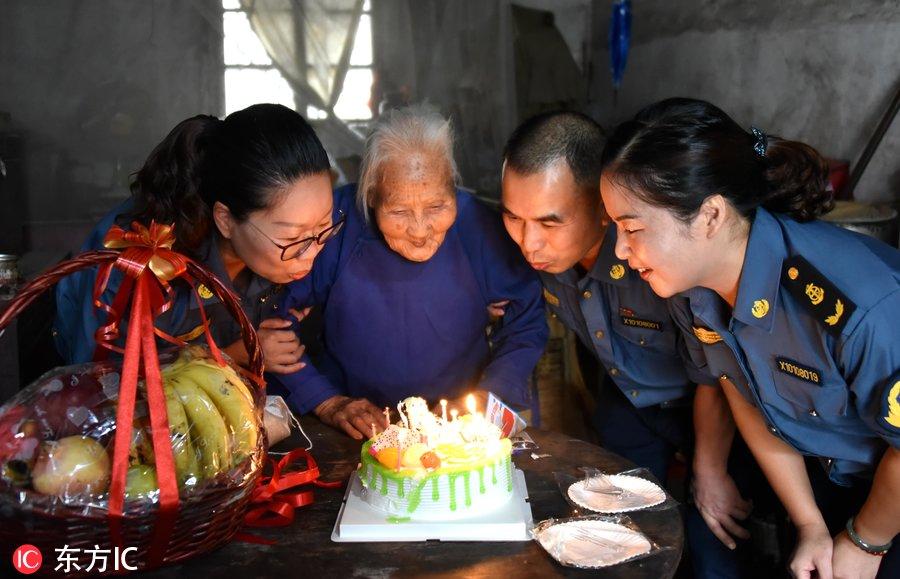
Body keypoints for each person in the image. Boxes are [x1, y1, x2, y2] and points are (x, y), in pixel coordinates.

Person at [600, 97, 900, 579]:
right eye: (614, 227)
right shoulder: (694, 289)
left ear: (710, 216)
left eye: (631, 227)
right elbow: (746, 393)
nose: (619, 249)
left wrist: (866, 542)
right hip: (831, 477)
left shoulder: (855, 307)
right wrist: (811, 525)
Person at [500, 111, 757, 577]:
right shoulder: (544, 262)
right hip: (627, 407)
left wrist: (709, 469)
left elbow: (720, 374)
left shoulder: (665, 260)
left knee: (713, 544)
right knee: (619, 543)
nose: (528, 242)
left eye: (549, 222)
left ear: (604, 207)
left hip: (713, 408)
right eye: (513, 218)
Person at [267, 106, 548, 440]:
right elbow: (275, 319)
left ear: (453, 188)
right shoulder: (333, 224)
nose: (419, 231)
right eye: (399, 210)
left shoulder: (480, 229)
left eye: (437, 207)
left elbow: (526, 320)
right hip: (355, 426)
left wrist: (491, 396)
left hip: (459, 429)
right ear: (371, 196)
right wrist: (327, 401)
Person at [55, 104, 339, 381]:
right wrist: (231, 355)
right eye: (291, 238)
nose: (312, 253)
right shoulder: (136, 263)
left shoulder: (285, 246)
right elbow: (101, 386)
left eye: (324, 226)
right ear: (226, 220)